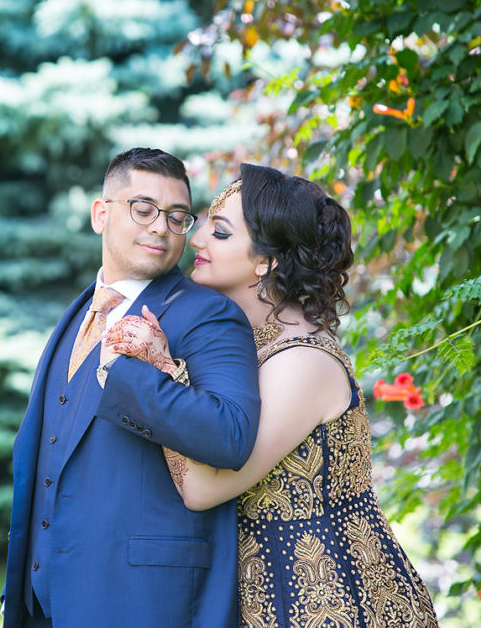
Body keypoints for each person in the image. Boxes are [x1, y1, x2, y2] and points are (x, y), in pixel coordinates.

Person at [106, 163, 440, 627]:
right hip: (261, 593)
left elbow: (202, 489)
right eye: (204, 224)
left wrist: (161, 372)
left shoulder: (300, 362)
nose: (197, 239)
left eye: (219, 233)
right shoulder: (252, 343)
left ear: (266, 261)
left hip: (331, 599)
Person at [1, 148, 263, 627]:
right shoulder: (80, 309)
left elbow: (230, 435)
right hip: (42, 602)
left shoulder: (209, 314)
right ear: (102, 214)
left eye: (177, 216)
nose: (161, 227)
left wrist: (137, 372)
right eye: (143, 209)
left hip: (143, 601)